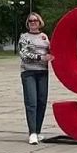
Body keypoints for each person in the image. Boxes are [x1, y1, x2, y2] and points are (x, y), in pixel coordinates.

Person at [18, 12, 53, 145]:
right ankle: (32, 132)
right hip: (29, 72)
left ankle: (37, 131)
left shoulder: (44, 37)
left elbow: (51, 50)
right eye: (30, 21)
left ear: (40, 22)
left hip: (43, 72)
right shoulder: (24, 37)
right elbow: (24, 54)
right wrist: (41, 57)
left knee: (41, 102)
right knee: (31, 102)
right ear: (28, 23)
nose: (33, 22)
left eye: (35, 20)